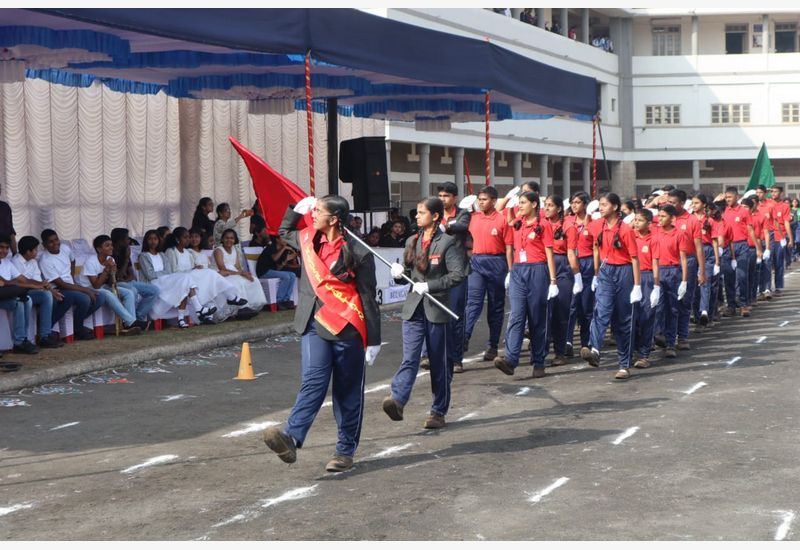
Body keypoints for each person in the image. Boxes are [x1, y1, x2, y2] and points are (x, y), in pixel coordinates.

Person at [263, 194, 381, 473]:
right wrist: (294, 209)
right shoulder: (307, 240)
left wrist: (373, 339)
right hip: (313, 323)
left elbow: (367, 296)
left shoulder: (359, 251)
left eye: (318, 211)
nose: (313, 215)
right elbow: (283, 232)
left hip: (346, 326)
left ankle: (345, 450)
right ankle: (292, 437)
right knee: (313, 380)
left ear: (335, 219)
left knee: (347, 391)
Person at [382, 196, 467, 430]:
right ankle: (398, 400)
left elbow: (459, 274)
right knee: (410, 357)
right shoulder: (412, 240)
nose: (417, 216)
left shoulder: (448, 243)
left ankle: (438, 411)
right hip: (414, 308)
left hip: (437, 308)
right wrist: (398, 274)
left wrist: (431, 286)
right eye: (417, 213)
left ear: (436, 216)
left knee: (440, 362)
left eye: (421, 212)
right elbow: (408, 274)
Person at [493, 191, 557, 378]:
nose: (519, 206)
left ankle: (539, 361)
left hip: (538, 270)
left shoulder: (543, 224)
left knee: (537, 319)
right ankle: (510, 360)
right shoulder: (517, 222)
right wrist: (511, 271)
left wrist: (553, 280)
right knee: (517, 315)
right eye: (518, 202)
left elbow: (549, 253)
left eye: (523, 202)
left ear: (535, 204)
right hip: (518, 271)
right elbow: (499, 210)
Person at [581, 193, 641, 380]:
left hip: (624, 272)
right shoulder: (598, 225)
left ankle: (624, 364)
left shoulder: (625, 230)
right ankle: (595, 349)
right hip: (606, 273)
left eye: (604, 204)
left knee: (622, 321)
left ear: (615, 207)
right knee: (601, 311)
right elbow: (585, 228)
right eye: (600, 204)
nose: (601, 207)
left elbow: (634, 258)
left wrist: (637, 285)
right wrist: (588, 213)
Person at [463, 186, 513, 361]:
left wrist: (510, 270)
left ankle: (492, 345)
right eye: (480, 199)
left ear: (493, 201)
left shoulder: (502, 220)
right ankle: (465, 336)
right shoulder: (473, 218)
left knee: (495, 307)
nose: (481, 202)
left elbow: (508, 247)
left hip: (497, 263)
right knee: (473, 302)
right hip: (477, 263)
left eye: (484, 199)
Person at [163, 227, 247, 323]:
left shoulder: (187, 253)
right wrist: (192, 269)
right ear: (178, 239)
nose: (188, 239)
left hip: (189, 278)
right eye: (186, 237)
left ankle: (210, 314)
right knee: (209, 273)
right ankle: (230, 297)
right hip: (178, 279)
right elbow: (173, 271)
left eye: (188, 237)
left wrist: (195, 268)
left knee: (208, 274)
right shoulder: (171, 252)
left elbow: (191, 267)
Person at [38, 229, 106, 340]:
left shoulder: (65, 248)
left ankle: (76, 324)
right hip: (57, 289)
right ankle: (78, 329)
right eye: (50, 242)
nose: (55, 243)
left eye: (56, 239)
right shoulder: (45, 260)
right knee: (84, 298)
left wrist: (72, 276)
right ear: (44, 245)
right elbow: (61, 284)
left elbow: (72, 260)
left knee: (101, 297)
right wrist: (85, 290)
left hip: (71, 285)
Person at [11, 236, 73, 348]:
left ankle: (45, 335)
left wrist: (52, 290)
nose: (37, 252)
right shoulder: (16, 261)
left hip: (32, 291)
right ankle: (43, 335)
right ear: (28, 251)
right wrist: (46, 288)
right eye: (35, 249)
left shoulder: (33, 262)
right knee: (47, 296)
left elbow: (40, 282)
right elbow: (21, 281)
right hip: (20, 292)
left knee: (53, 296)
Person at [77, 235, 145, 336]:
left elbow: (112, 283)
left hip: (103, 286)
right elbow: (96, 285)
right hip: (88, 289)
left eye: (111, 245)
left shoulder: (110, 259)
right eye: (107, 245)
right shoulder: (91, 262)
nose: (111, 247)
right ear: (99, 249)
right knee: (107, 294)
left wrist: (113, 273)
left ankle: (129, 324)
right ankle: (131, 322)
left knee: (129, 293)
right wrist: (107, 269)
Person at [435, 181, 471, 373]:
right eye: (440, 196)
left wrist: (445, 226)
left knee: (456, 315)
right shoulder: (434, 213)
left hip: (458, 272)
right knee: (434, 314)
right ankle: (434, 355)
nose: (442, 199)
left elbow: (462, 226)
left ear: (454, 198)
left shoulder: (463, 213)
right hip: (437, 272)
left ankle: (457, 358)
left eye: (446, 196)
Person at [138, 230, 205, 329]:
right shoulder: (143, 256)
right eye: (150, 239)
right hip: (154, 283)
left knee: (185, 282)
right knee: (184, 279)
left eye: (155, 239)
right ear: (146, 241)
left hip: (166, 280)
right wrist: (163, 273)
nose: (153, 241)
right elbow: (150, 275)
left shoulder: (162, 254)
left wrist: (162, 273)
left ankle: (182, 318)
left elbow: (169, 271)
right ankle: (197, 308)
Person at [665, 189, 704, 350]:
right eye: (668, 202)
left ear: (682, 203)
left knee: (685, 301)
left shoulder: (692, 220)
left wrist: (702, 270)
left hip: (687, 261)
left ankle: (682, 336)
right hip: (668, 263)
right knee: (667, 303)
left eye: (673, 203)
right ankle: (667, 338)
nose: (670, 205)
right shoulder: (664, 218)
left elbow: (698, 247)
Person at [542, 194, 578, 368]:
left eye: (550, 205)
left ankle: (560, 352)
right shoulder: (541, 224)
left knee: (560, 313)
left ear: (559, 208)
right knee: (542, 311)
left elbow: (571, 253)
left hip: (562, 266)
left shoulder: (568, 226)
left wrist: (577, 277)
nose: (546, 208)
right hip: (542, 266)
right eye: (545, 205)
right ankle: (540, 351)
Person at [652, 205, 689, 359]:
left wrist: (684, 280)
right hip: (657, 271)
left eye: (663, 216)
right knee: (657, 307)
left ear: (672, 218)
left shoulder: (679, 234)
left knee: (672, 309)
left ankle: (670, 344)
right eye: (658, 216)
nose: (659, 219)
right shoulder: (654, 232)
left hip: (673, 272)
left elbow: (683, 258)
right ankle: (658, 335)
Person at [565, 192, 595, 358]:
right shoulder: (568, 221)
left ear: (585, 205)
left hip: (587, 263)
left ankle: (586, 343)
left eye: (578, 202)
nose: (575, 205)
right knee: (571, 305)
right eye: (572, 202)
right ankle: (568, 341)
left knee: (586, 306)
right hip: (570, 264)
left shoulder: (593, 222)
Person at [111, 228, 159, 328]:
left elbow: (131, 274)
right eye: (127, 238)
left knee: (154, 290)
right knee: (132, 290)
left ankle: (138, 317)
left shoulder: (125, 251)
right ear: (120, 240)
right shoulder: (111, 254)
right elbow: (117, 277)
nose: (129, 241)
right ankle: (131, 324)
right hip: (115, 283)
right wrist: (126, 259)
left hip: (127, 281)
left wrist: (126, 279)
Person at [722, 188, 759, 317]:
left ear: (736, 197)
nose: (727, 199)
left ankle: (744, 304)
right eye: (726, 197)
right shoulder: (724, 211)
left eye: (730, 197)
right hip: (728, 247)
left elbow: (750, 229)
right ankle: (731, 306)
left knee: (742, 276)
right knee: (729, 278)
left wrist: (758, 248)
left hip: (742, 246)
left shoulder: (744, 211)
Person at [213, 228, 267, 315]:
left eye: (231, 238)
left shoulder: (235, 250)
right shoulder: (218, 250)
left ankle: (252, 306)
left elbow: (237, 267)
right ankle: (241, 308)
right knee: (238, 282)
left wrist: (245, 274)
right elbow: (221, 268)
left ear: (235, 240)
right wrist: (241, 273)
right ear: (222, 239)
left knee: (253, 280)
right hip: (222, 274)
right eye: (226, 238)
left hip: (234, 273)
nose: (229, 240)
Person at [0, 234, 39, 353]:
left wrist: (40, 284)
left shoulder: (6, 262)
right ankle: (20, 341)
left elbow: (22, 279)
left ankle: (21, 340)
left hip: (6, 295)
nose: (4, 251)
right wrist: (29, 286)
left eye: (7, 248)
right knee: (20, 299)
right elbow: (4, 282)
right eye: (1, 247)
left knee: (25, 300)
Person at [689, 195, 720, 327]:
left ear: (704, 205)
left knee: (704, 283)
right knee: (694, 286)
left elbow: (714, 241)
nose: (694, 205)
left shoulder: (710, 221)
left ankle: (704, 311)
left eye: (697, 203)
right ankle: (696, 315)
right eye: (692, 203)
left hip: (706, 252)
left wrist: (717, 261)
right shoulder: (689, 219)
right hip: (691, 251)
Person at [631, 209, 657, 368]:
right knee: (632, 316)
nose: (636, 223)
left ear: (648, 223)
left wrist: (656, 286)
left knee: (647, 316)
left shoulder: (653, 239)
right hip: (631, 277)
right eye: (635, 220)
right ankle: (632, 349)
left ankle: (644, 354)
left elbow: (655, 263)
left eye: (640, 220)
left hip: (647, 277)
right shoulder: (630, 236)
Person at [254, 230, 297, 311]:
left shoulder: (283, 251)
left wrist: (285, 262)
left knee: (292, 275)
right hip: (263, 271)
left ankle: (286, 300)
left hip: (272, 272)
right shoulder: (271, 247)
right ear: (277, 239)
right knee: (286, 276)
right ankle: (279, 301)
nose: (285, 240)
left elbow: (278, 268)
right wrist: (284, 248)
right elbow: (274, 258)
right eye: (283, 238)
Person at [768, 186, 793, 294]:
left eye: (776, 191)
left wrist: (790, 238)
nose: (773, 193)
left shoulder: (785, 206)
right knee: (767, 262)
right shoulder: (767, 203)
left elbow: (787, 222)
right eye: (772, 191)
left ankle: (778, 286)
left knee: (778, 262)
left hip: (780, 236)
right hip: (768, 236)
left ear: (781, 193)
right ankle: (766, 287)